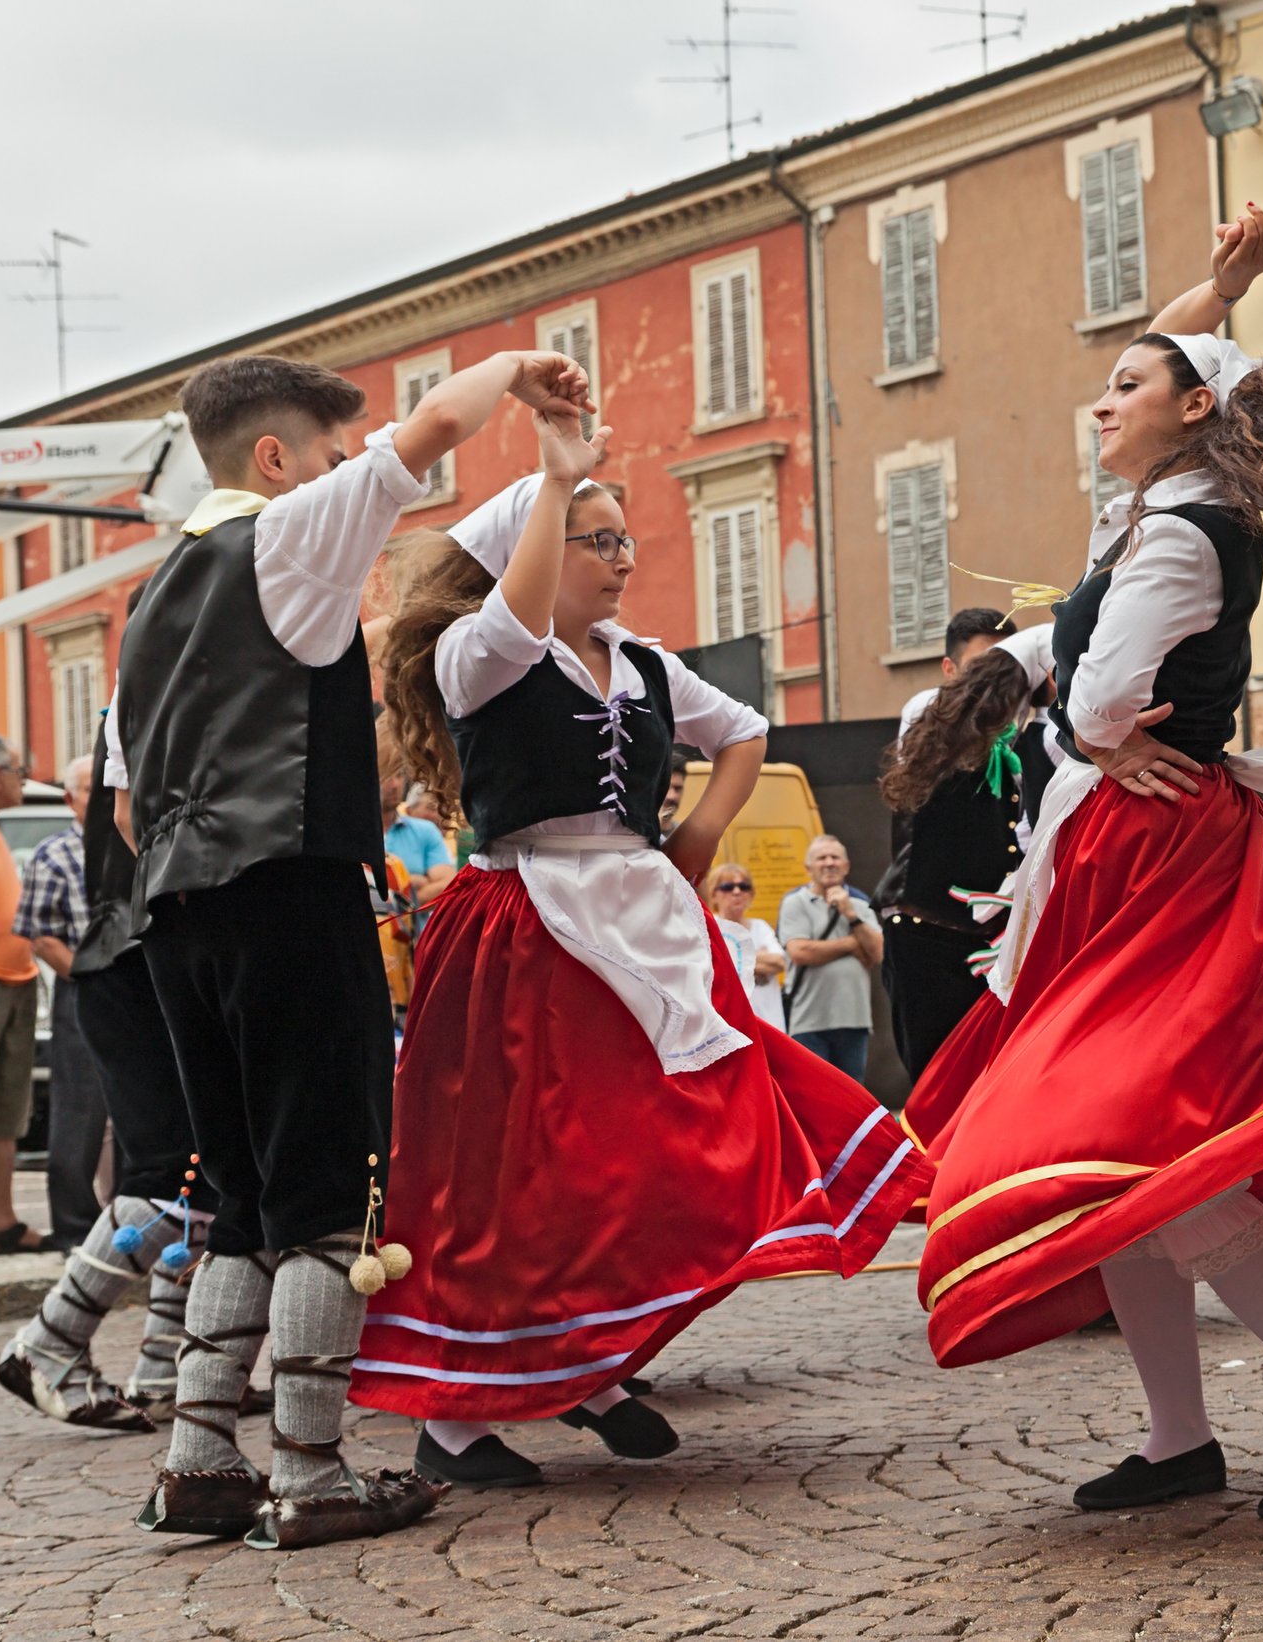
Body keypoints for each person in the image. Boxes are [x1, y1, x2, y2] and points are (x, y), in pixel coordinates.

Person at [899, 233, 1263, 1529]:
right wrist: (1222, 291)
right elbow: (1099, 643)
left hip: (1149, 851)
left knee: (1137, 1133)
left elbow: (1107, 692)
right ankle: (1180, 1431)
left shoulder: (1183, 530)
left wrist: (1089, 724)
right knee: (1118, 1147)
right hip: (1137, 846)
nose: (1101, 402)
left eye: (1127, 385)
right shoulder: (1172, 509)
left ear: (1196, 408)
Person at [358, 417, 927, 1487]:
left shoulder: (644, 665)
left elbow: (748, 729)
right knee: (523, 1173)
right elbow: (518, 620)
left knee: (653, 1146)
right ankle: (464, 1411)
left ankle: (591, 1359)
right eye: (596, 540)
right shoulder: (478, 653)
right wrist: (553, 475)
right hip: (529, 930)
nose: (622, 558)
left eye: (624, 540)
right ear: (531, 550)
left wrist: (699, 834)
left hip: (643, 925)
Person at [109, 348, 590, 1550]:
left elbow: (127, 808)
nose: (345, 480)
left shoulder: (151, 602)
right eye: (326, 456)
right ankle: (313, 1471)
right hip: (289, 892)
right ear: (276, 459)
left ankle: (200, 1458)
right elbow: (427, 426)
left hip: (176, 912)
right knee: (325, 1192)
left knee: (235, 1193)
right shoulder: (288, 534)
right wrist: (516, 370)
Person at [0, 715, 213, 1433]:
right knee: (170, 1173)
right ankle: (50, 1341)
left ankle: (159, 1366)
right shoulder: (154, 692)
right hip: (135, 961)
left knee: (200, 1174)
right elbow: (133, 821)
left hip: (142, 956)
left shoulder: (166, 680)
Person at [877, 626, 1051, 1079]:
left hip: (986, 942)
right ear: (951, 671)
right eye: (984, 671)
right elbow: (966, 724)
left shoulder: (1027, 740)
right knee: (935, 1082)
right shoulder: (927, 711)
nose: (997, 685)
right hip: (924, 931)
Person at [20, 756, 100, 1251]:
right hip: (84, 986)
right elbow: (39, 935)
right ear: (70, 798)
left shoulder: (140, 847)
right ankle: (74, 1228)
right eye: (91, 789)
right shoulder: (52, 854)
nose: (102, 796)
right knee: (79, 1110)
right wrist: (90, 975)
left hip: (141, 990)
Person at [0, 736, 43, 1263]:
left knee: (6, 1115)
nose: (23, 779)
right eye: (18, 771)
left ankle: (1, 1223)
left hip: (15, 982)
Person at [778, 836, 882, 1079]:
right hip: (808, 1022)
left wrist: (851, 915)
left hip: (854, 1019)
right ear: (808, 868)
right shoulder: (795, 903)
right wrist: (851, 943)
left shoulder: (861, 904)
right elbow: (800, 952)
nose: (829, 863)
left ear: (846, 866)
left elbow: (877, 952)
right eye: (821, 858)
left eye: (835, 857)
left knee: (853, 1096)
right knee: (813, 1097)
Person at [900, 609, 1018, 737]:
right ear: (949, 669)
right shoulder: (925, 709)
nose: (994, 674)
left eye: (1004, 663)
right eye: (979, 666)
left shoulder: (1023, 720)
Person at [706, 862, 789, 1030]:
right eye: (728, 887)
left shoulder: (760, 927)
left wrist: (731, 956)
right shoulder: (708, 927)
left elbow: (779, 962)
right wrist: (758, 958)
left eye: (743, 886)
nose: (737, 892)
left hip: (769, 1022)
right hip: (728, 1025)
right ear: (714, 894)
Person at [381, 773, 456, 906]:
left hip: (415, 926)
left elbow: (448, 885)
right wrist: (411, 882)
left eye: (399, 776)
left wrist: (398, 905)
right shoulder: (349, 831)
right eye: (386, 776)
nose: (395, 785)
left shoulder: (426, 830)